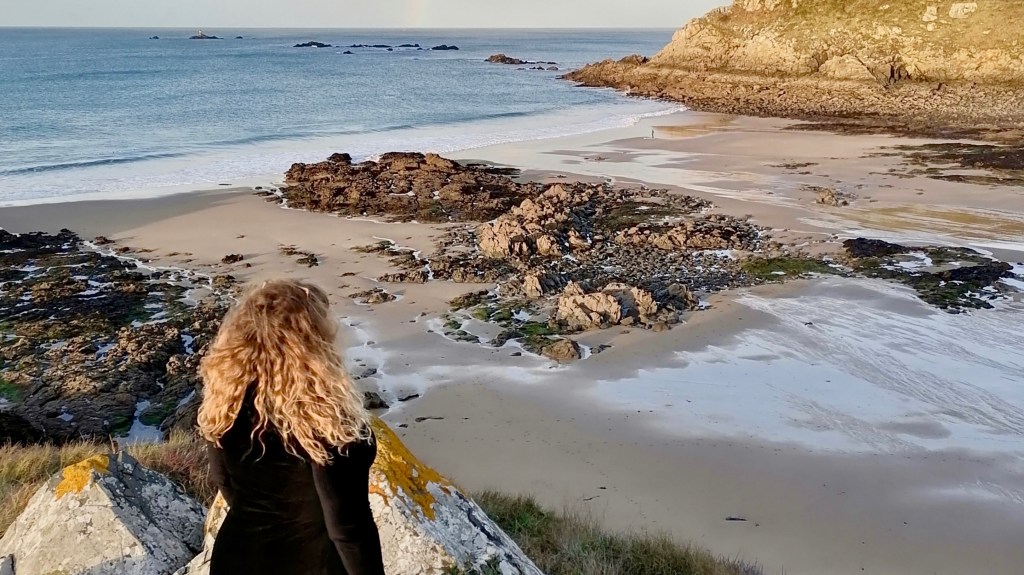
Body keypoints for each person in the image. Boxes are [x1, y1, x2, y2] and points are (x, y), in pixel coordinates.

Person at [198, 279, 385, 575]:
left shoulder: (225, 405)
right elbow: (347, 528)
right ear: (313, 342)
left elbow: (227, 486)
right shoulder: (326, 420)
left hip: (236, 557)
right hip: (310, 562)